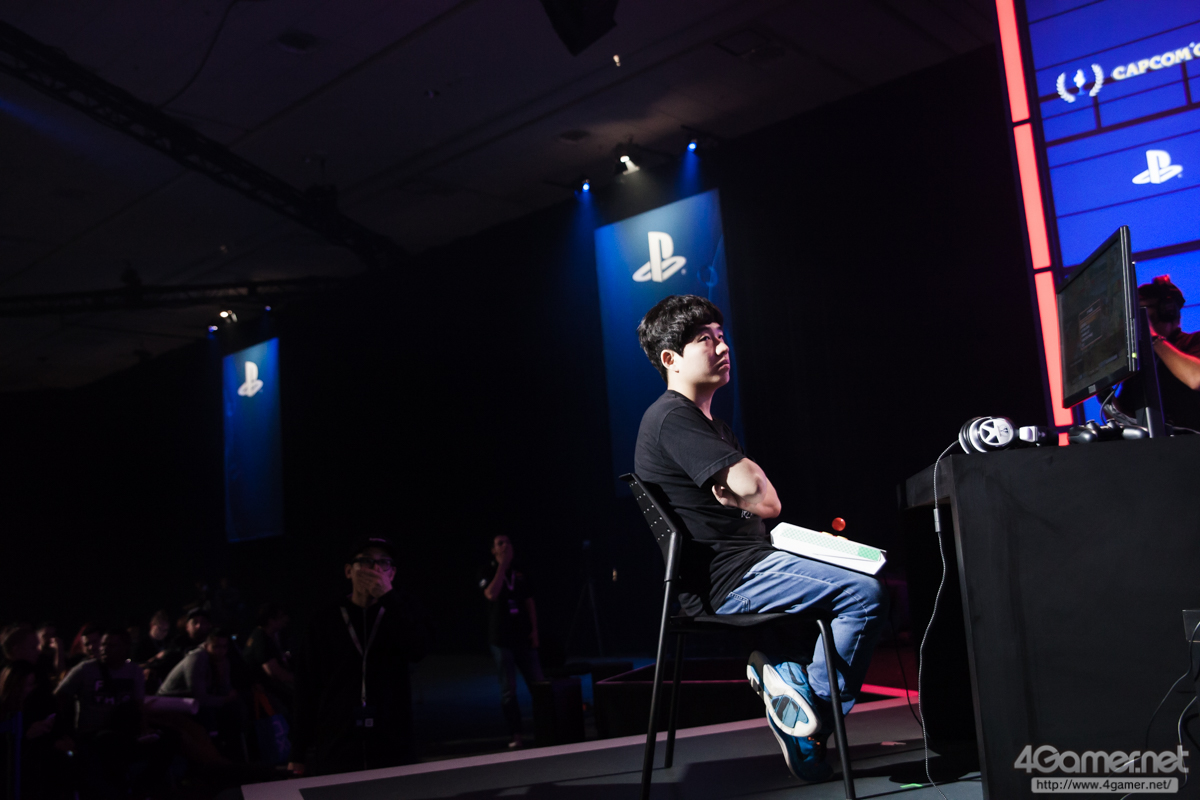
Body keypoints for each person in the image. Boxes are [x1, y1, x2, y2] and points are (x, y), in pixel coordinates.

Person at [633, 295, 887, 783]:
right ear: (670, 358)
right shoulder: (671, 418)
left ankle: (794, 697)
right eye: (704, 339)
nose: (722, 346)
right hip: (730, 580)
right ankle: (809, 716)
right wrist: (751, 498)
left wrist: (752, 501)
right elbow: (764, 498)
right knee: (863, 595)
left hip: (756, 559)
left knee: (864, 567)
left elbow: (757, 501)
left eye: (721, 335)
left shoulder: (713, 426)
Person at [290, 536, 431, 776]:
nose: (375, 569)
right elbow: (306, 686)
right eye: (366, 561)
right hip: (337, 743)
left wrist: (389, 598)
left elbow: (418, 649)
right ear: (348, 571)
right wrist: (297, 752)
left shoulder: (402, 611)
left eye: (383, 562)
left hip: (392, 742)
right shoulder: (325, 620)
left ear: (392, 574)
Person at [479, 534, 543, 748]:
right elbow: (491, 594)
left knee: (539, 684)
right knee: (509, 689)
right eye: (500, 543)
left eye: (508, 542)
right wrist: (502, 566)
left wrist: (534, 630)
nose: (505, 545)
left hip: (523, 636)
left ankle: (547, 728)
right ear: (493, 551)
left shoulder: (521, 570)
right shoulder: (487, 571)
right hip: (501, 639)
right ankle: (516, 735)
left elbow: (529, 601)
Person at [1112, 276, 1200, 432]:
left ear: (1168, 312)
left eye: (1143, 313)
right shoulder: (1140, 362)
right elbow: (1127, 420)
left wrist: (1151, 337)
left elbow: (1196, 378)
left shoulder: (1193, 341)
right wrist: (1104, 394)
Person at [243, 603, 294, 714]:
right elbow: (274, 672)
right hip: (262, 689)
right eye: (281, 616)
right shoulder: (261, 639)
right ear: (271, 620)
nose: (286, 618)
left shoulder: (265, 635)